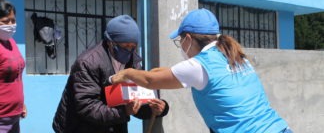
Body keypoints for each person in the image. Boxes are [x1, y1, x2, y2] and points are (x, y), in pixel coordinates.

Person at [111, 8, 293, 133]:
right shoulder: (234, 55)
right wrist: (163, 71)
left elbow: (150, 81)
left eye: (180, 40)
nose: (181, 45)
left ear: (188, 38)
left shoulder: (199, 65)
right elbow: (204, 76)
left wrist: (125, 74)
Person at [53, 15, 169, 133]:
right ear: (110, 42)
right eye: (124, 46)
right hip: (79, 127)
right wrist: (124, 111)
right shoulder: (87, 63)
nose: (129, 50)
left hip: (114, 125)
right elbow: (87, 107)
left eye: (132, 46)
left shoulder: (133, 63)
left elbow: (136, 102)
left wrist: (155, 109)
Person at [0, 0, 27, 132]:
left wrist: (21, 103)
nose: (10, 24)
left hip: (14, 116)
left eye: (13, 20)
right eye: (5, 21)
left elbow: (17, 76)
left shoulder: (12, 42)